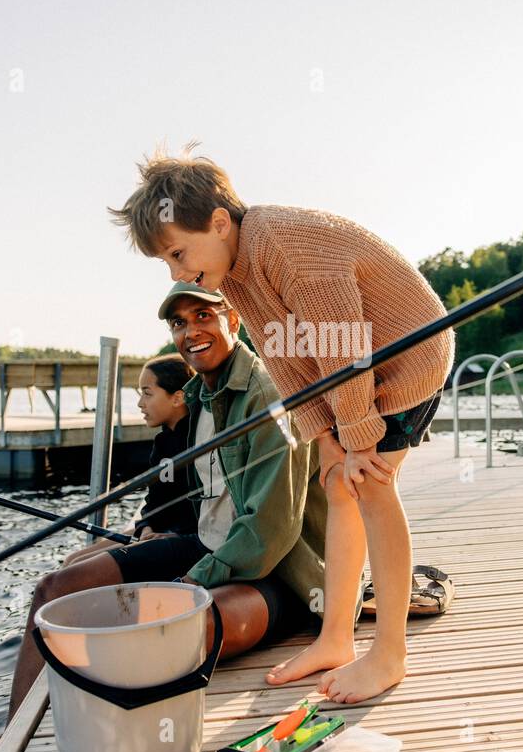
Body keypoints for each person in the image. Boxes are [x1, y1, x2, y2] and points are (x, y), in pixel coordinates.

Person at [111, 148, 455, 704]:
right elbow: (288, 358)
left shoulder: (288, 246)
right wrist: (323, 435)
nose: (177, 273)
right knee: (336, 486)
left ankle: (390, 653)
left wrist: (359, 437)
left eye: (178, 254)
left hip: (405, 357)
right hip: (349, 365)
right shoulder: (233, 273)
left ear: (219, 222)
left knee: (370, 487)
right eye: (167, 264)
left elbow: (341, 344)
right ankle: (336, 638)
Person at [5, 285, 330, 722]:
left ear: (232, 321)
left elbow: (270, 531)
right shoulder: (198, 398)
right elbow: (201, 496)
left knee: (180, 628)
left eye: (203, 316)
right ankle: (15, 733)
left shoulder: (268, 395)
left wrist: (186, 583)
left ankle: (120, 735)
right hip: (205, 546)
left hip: (276, 570)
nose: (191, 330)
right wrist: (155, 536)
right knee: (55, 589)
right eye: (179, 322)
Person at [59, 353, 198, 569]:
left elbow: (201, 507)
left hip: (179, 537)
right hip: (154, 531)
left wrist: (170, 533)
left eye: (147, 394)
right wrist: (146, 527)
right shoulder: (163, 442)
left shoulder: (197, 440)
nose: (140, 403)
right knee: (71, 561)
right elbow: (154, 500)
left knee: (79, 569)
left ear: (177, 398)